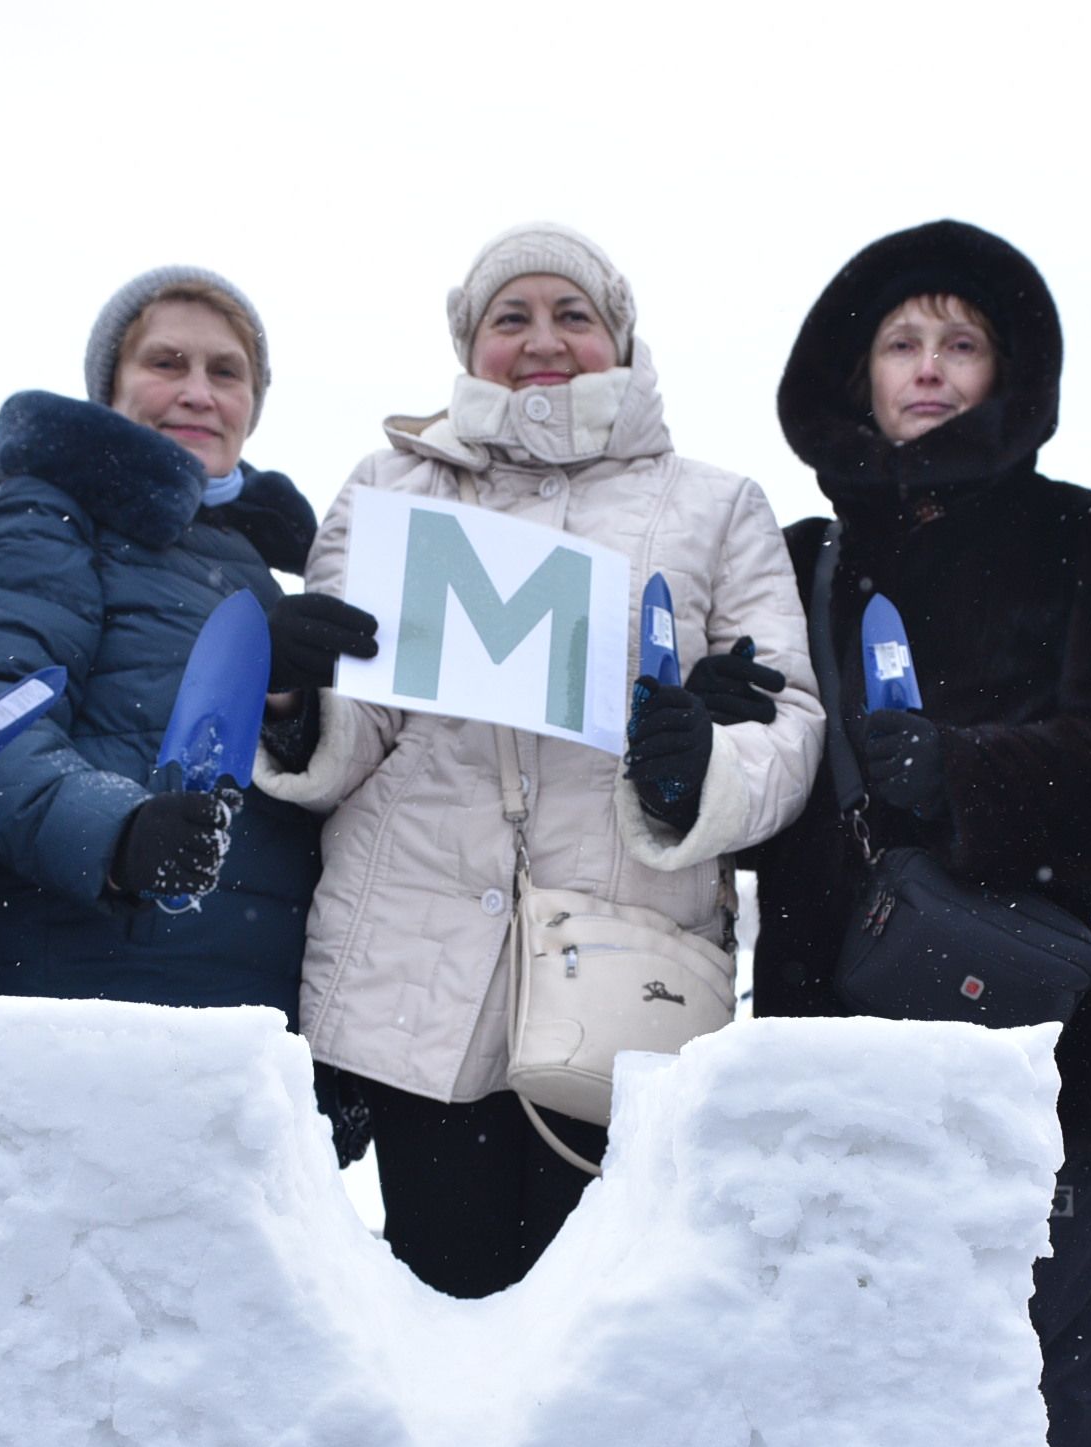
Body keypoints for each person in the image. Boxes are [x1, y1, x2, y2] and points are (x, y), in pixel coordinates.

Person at [741, 220, 1091, 1447]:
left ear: (1006, 372)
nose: (930, 371)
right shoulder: (800, 561)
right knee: (843, 1384)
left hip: (1031, 1032)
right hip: (831, 1026)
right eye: (901, 344)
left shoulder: (1078, 533)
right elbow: (752, 779)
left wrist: (980, 776)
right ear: (852, 375)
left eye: (962, 344)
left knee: (1051, 1396)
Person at [257, 222, 821, 1297]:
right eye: (509, 317)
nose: (543, 339)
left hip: (624, 965)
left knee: (599, 1332)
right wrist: (289, 697)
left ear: (619, 338)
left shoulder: (715, 505)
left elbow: (784, 719)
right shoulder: (390, 491)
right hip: (416, 973)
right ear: (469, 346)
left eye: (573, 314)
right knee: (438, 1310)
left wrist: (694, 766)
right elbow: (348, 739)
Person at [0, 267, 328, 1008]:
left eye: (227, 372)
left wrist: (291, 704)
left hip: (257, 993)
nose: (199, 393)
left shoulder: (263, 575)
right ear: (110, 386)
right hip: (83, 974)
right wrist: (116, 835)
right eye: (166, 363)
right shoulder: (47, 515)